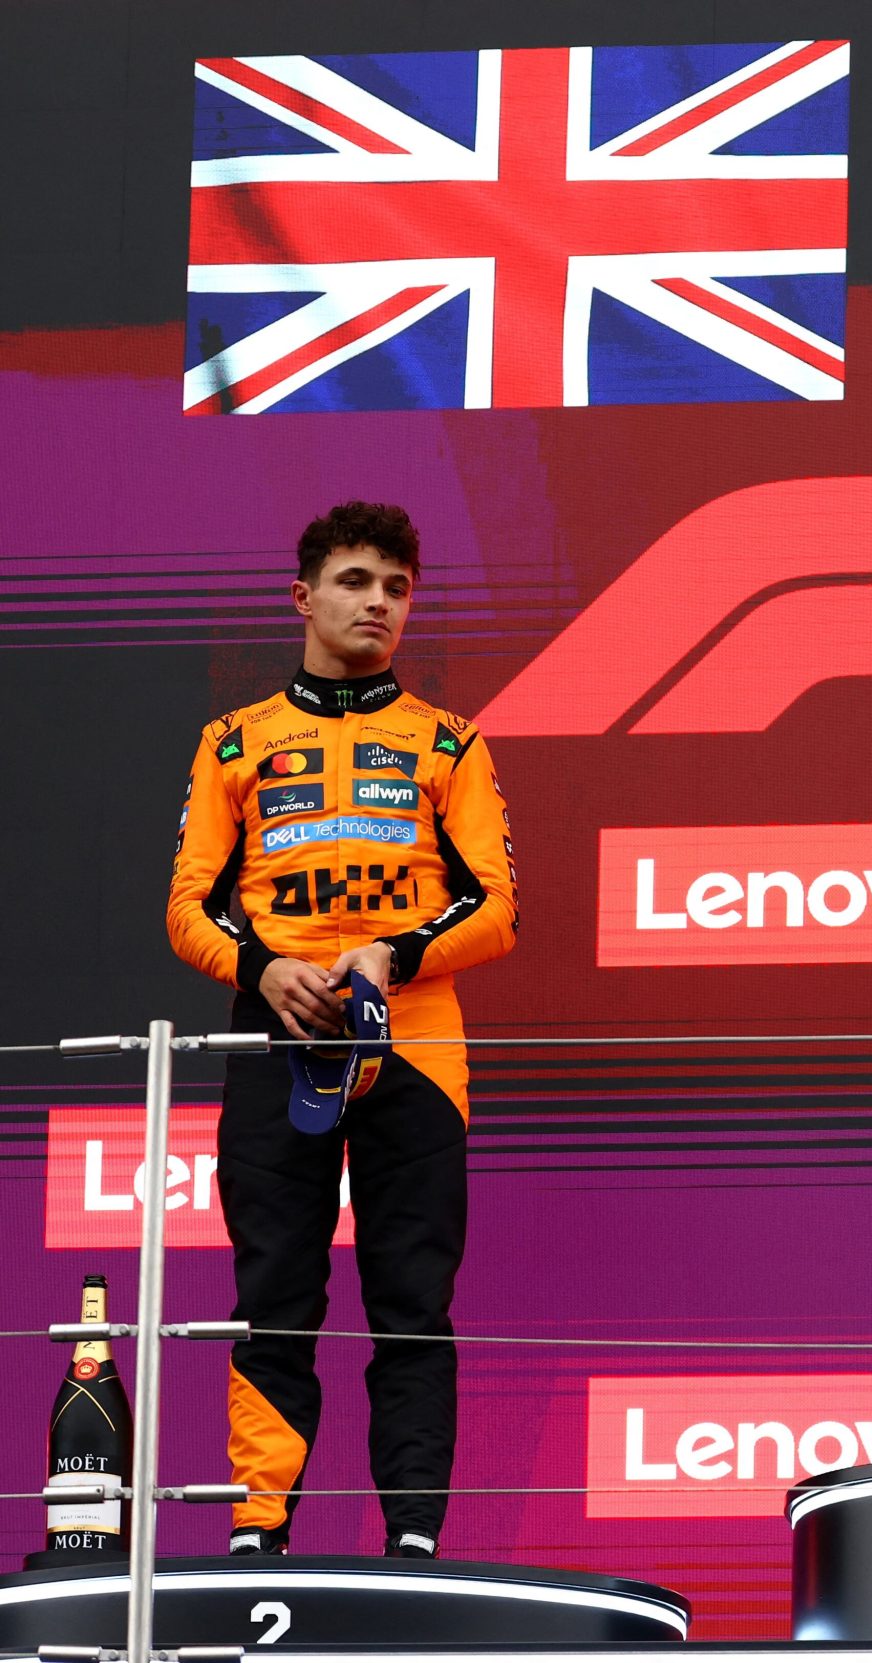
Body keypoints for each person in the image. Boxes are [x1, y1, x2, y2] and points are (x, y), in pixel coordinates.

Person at [168, 502, 519, 1558]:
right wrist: (265, 967)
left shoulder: (449, 742)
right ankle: (258, 1526)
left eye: (397, 588)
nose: (379, 604)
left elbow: (496, 906)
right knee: (274, 1290)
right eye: (357, 581)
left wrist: (392, 954)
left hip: (416, 1045)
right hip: (275, 1037)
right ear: (304, 595)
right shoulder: (232, 741)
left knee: (412, 1296)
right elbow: (189, 906)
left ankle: (412, 1535)